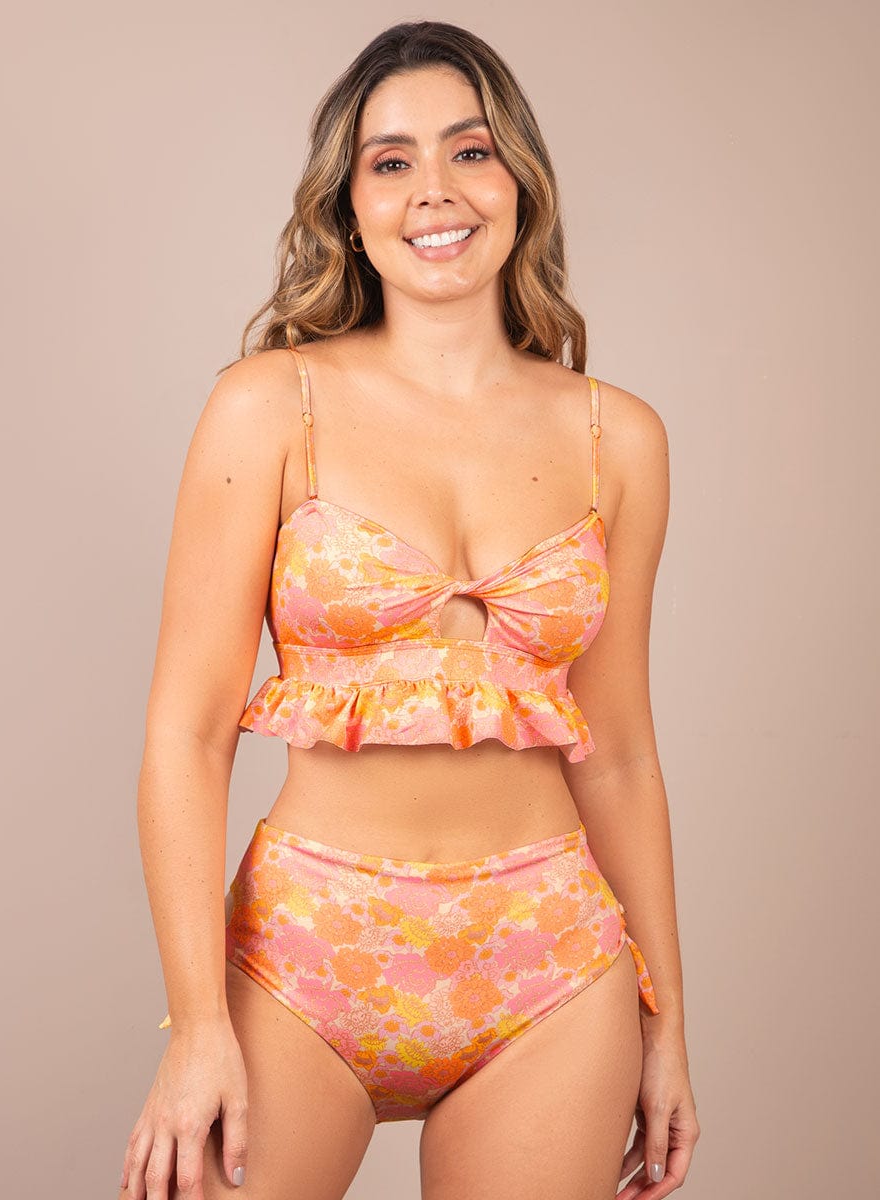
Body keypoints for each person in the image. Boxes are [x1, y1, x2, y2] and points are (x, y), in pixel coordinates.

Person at [118, 19, 699, 1200]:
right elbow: (187, 734)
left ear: (519, 181)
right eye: (391, 161)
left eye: (469, 151)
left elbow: (621, 755)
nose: (435, 190)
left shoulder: (620, 439)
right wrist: (196, 1028)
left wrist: (669, 1022)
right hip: (302, 954)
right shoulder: (268, 407)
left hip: (550, 964)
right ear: (350, 205)